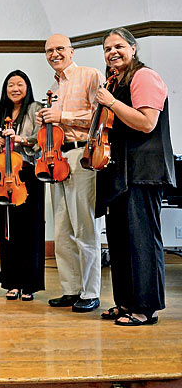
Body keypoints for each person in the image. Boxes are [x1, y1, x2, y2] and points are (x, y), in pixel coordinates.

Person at [94, 28, 175, 326]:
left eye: (118, 46)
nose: (112, 52)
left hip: (142, 172)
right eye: (107, 48)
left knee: (142, 240)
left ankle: (145, 307)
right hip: (120, 173)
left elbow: (147, 123)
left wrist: (111, 102)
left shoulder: (144, 77)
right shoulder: (116, 82)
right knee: (121, 240)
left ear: (133, 47)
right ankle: (126, 302)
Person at [36, 34, 105, 312]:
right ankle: (71, 289)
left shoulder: (90, 75)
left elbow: (100, 116)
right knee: (62, 228)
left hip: (81, 155)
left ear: (72, 51)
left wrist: (62, 117)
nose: (55, 54)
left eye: (60, 48)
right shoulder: (54, 87)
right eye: (49, 50)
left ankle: (90, 292)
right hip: (56, 158)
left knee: (84, 227)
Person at [0, 70, 44, 301]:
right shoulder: (3, 112)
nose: (15, 89)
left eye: (20, 84)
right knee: (8, 230)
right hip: (5, 175)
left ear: (27, 87)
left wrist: (20, 139)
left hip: (29, 174)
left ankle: (29, 284)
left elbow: (42, 138)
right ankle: (11, 282)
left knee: (30, 229)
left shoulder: (36, 108)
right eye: (10, 84)